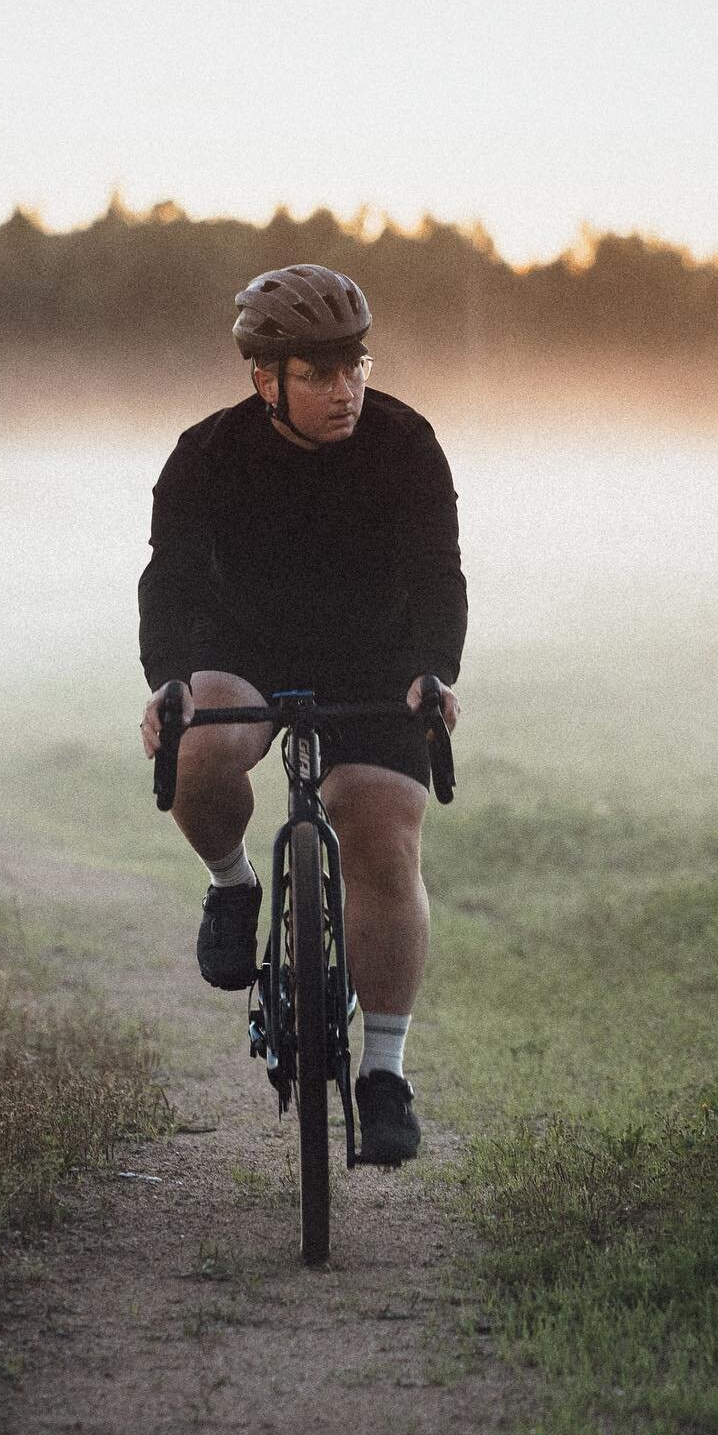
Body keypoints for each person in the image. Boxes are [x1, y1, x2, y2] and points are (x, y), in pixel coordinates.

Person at [138, 264, 466, 1165]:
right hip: (243, 648)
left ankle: (386, 1073)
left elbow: (440, 574)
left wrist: (437, 669)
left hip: (375, 658)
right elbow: (167, 580)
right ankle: (234, 885)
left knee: (381, 824)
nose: (345, 390)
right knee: (201, 750)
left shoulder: (406, 443)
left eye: (353, 366)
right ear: (264, 378)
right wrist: (165, 682)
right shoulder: (206, 455)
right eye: (318, 374)